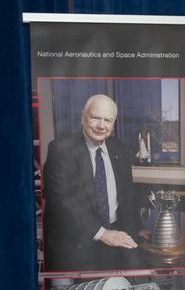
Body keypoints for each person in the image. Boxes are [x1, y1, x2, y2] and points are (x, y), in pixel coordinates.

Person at [42, 94, 141, 272]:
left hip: (112, 242)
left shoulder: (120, 149)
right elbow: (61, 201)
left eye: (107, 120)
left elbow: (127, 196)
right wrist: (102, 234)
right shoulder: (60, 150)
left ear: (113, 124)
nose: (101, 126)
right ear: (83, 117)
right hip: (75, 243)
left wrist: (138, 227)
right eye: (95, 117)